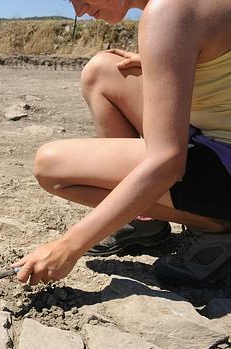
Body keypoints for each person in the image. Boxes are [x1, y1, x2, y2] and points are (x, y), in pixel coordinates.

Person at [12, 0, 231, 287]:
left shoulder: (168, 12)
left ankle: (217, 228)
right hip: (216, 136)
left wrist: (69, 246)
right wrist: (164, 56)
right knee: (103, 71)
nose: (79, 11)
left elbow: (167, 162)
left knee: (50, 166)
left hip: (224, 170)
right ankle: (142, 220)